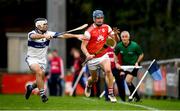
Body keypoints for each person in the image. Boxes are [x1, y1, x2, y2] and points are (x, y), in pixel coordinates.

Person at [25, 18, 83, 102]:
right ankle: (42, 95)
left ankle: (30, 87)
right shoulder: (32, 33)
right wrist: (44, 36)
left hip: (42, 60)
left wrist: (76, 36)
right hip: (32, 59)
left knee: (41, 77)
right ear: (38, 26)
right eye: (44, 24)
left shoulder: (49, 33)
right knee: (39, 72)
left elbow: (63, 35)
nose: (46, 26)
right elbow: (34, 37)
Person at [81, 10, 117, 102]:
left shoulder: (107, 27)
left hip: (103, 55)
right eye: (98, 18)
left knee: (108, 71)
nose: (100, 20)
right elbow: (83, 46)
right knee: (94, 79)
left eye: (101, 18)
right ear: (94, 19)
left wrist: (115, 35)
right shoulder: (89, 32)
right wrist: (87, 54)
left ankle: (111, 93)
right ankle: (88, 85)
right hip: (92, 59)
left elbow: (115, 40)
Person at [114, 31, 144, 102]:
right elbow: (115, 54)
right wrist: (116, 63)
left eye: (126, 37)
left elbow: (141, 54)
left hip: (134, 66)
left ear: (129, 37)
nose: (124, 38)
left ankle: (134, 96)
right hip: (125, 66)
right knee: (128, 82)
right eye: (123, 37)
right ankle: (136, 97)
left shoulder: (135, 45)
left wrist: (137, 62)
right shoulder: (119, 46)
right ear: (121, 38)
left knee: (128, 80)